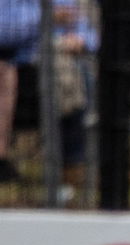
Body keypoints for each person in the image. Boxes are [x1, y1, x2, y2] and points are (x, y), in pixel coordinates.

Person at [0, 0, 95, 185]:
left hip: (63, 68)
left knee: (80, 76)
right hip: (20, 64)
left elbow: (90, 35)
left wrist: (80, 40)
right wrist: (45, 19)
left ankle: (72, 170)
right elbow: (4, 34)